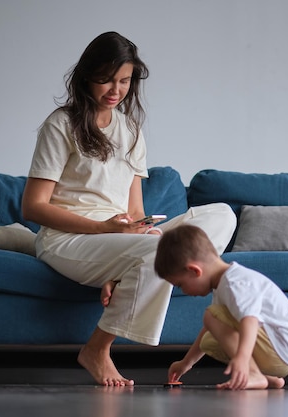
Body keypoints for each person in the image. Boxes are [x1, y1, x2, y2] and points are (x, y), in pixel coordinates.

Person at [22, 32, 236, 386]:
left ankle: (123, 275)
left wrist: (139, 229)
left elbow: (135, 208)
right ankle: (97, 349)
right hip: (69, 240)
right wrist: (108, 230)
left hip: (118, 237)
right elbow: (33, 207)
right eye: (106, 78)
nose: (115, 89)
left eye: (124, 81)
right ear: (86, 76)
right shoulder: (60, 125)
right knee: (157, 251)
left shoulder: (131, 130)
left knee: (222, 214)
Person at [154, 225, 288, 390]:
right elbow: (212, 327)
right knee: (208, 341)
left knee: (211, 315)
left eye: (181, 285)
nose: (184, 291)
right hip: (277, 354)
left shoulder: (235, 283)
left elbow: (250, 320)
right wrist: (186, 363)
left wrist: (242, 357)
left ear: (195, 271)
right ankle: (266, 378)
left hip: (281, 352)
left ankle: (253, 374)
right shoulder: (222, 283)